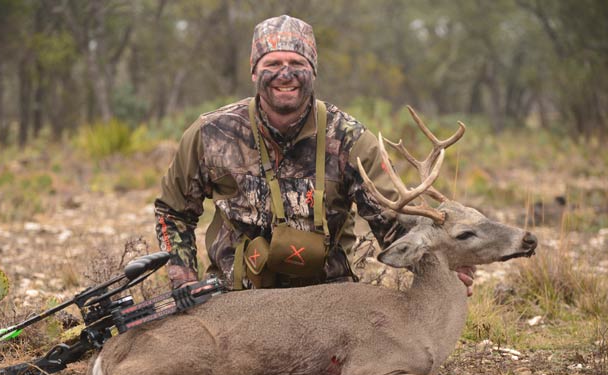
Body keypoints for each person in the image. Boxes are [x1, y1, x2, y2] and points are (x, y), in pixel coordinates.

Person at [154, 15, 475, 292]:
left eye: (297, 64)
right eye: (272, 64)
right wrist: (183, 277)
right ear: (254, 72)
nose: (285, 73)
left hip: (328, 302)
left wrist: (445, 265)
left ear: (313, 71)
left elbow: (392, 226)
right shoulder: (211, 132)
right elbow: (173, 212)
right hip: (236, 297)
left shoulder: (351, 139)